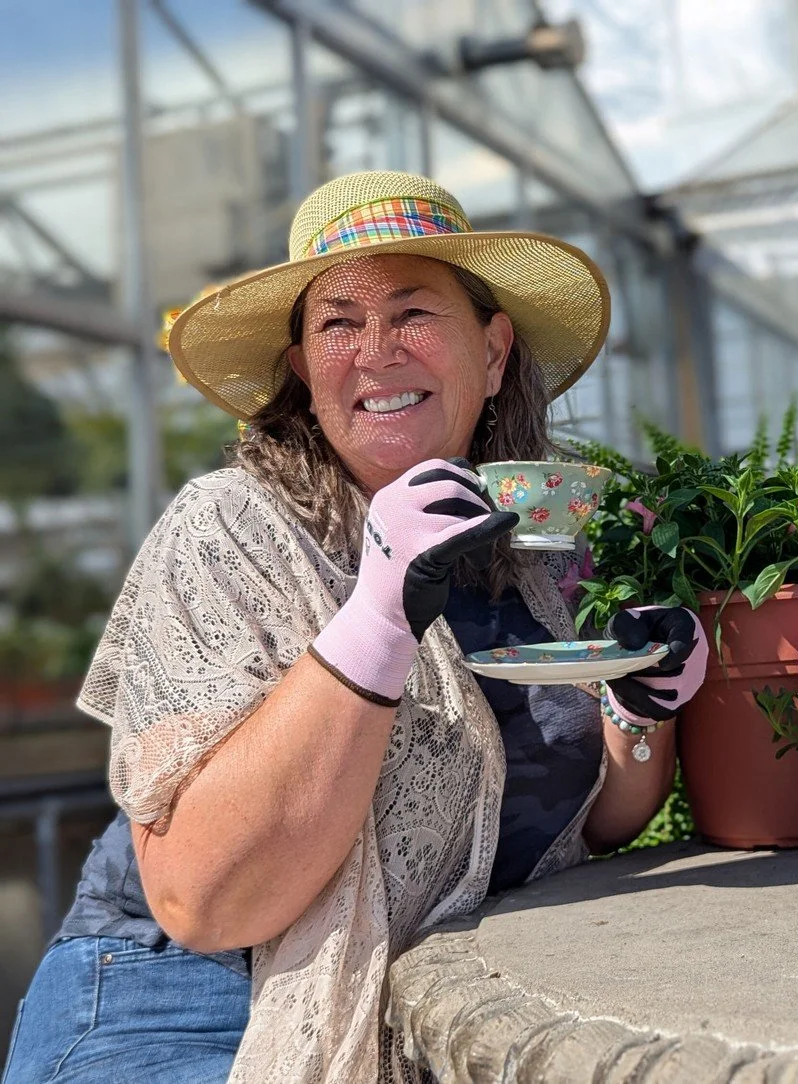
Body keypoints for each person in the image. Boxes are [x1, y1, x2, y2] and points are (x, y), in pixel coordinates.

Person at [3, 171, 707, 1084]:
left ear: (493, 353)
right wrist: (376, 616)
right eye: (338, 323)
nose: (375, 352)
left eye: (412, 312)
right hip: (178, 997)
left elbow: (596, 821)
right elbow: (200, 902)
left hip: (428, 997)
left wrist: (641, 705)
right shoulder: (228, 529)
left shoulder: (539, 553)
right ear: (303, 368)